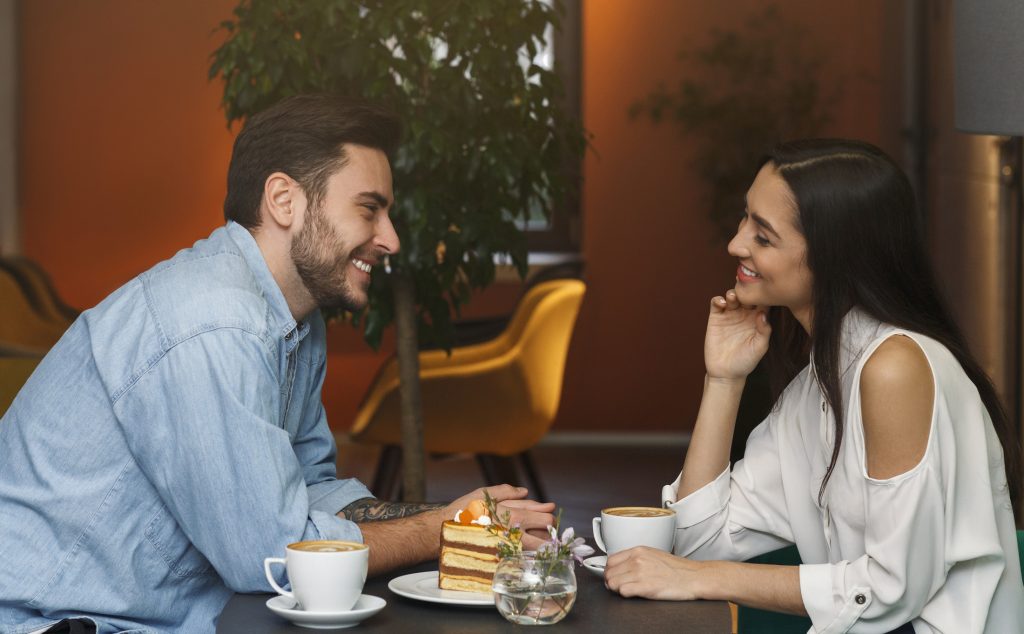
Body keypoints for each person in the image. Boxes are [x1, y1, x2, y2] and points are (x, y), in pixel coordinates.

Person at [0, 94, 555, 634]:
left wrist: (466, 517)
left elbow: (312, 488)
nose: (390, 238)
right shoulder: (215, 322)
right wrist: (444, 530)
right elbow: (272, 556)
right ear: (284, 201)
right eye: (369, 208)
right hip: (52, 621)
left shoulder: (294, 319)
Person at [604, 139, 1024, 633]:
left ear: (831, 256)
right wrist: (723, 379)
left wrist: (703, 578)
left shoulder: (895, 367)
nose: (736, 244)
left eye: (763, 236)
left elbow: (891, 588)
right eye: (745, 220)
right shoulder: (819, 383)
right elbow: (698, 540)